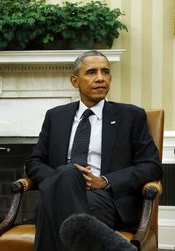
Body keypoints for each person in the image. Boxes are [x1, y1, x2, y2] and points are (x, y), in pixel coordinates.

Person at [25, 50, 162, 251]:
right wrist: (63, 179)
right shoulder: (56, 117)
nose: (100, 78)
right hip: (62, 194)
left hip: (106, 199)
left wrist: (105, 182)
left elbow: (152, 167)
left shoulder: (131, 116)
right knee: (67, 172)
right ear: (74, 81)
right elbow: (34, 163)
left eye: (105, 72)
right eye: (91, 72)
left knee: (55, 207)